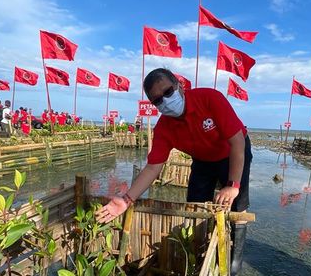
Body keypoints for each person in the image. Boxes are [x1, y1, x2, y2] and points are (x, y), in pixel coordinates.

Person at [96, 68, 253, 275]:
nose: (165, 101)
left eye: (168, 92)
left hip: (233, 152)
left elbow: (237, 142)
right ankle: (197, 253)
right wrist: (126, 199)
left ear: (180, 85)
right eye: (158, 100)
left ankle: (234, 264)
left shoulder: (209, 98)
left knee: (237, 209)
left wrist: (233, 186)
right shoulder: (164, 128)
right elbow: (153, 167)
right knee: (193, 207)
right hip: (203, 161)